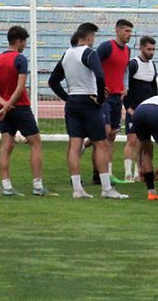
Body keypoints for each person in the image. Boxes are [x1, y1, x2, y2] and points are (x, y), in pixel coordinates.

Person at [49, 22, 127, 199]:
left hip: (73, 101)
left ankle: (77, 189)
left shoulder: (67, 54)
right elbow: (100, 75)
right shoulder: (89, 53)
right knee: (101, 144)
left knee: (74, 145)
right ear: (89, 36)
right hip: (89, 102)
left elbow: (53, 81)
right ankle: (106, 189)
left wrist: (68, 98)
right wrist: (100, 98)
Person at [0, 25, 53, 196]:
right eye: (24, 42)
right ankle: (38, 186)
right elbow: (20, 88)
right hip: (20, 107)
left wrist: (3, 106)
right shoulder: (20, 59)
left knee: (6, 145)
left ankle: (7, 186)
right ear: (18, 41)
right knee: (36, 143)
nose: (25, 45)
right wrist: (10, 104)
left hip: (4, 108)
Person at [95, 18, 133, 185]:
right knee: (105, 132)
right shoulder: (106, 46)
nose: (129, 34)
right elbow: (92, 64)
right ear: (117, 30)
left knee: (111, 135)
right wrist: (98, 88)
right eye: (126, 31)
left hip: (118, 97)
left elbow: (124, 70)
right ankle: (100, 173)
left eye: (131, 32)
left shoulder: (128, 51)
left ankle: (108, 172)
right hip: (105, 97)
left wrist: (125, 87)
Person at [123, 36, 158, 182]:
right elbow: (124, 87)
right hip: (134, 110)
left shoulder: (152, 65)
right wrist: (128, 108)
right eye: (149, 49)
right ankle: (128, 173)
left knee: (144, 142)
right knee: (132, 140)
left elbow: (154, 88)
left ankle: (140, 172)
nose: (151, 52)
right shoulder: (133, 64)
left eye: (153, 49)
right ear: (141, 48)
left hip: (147, 112)